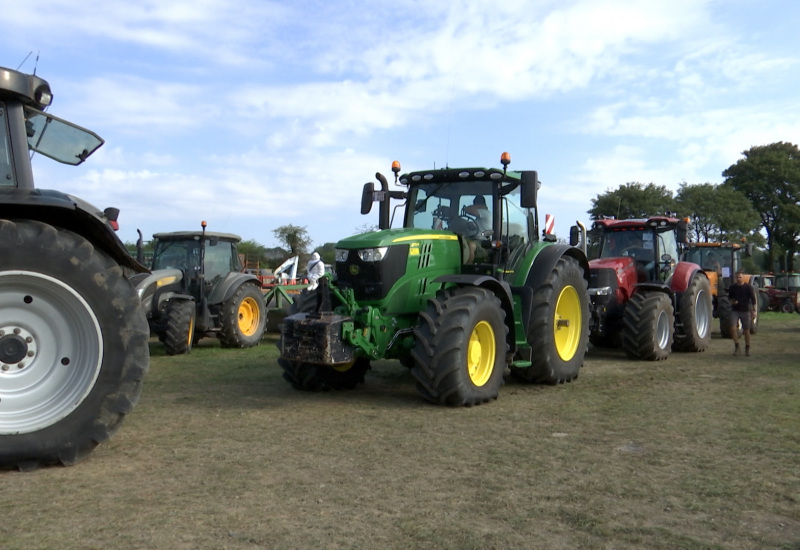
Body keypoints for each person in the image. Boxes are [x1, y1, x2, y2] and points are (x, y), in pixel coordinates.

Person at [728, 271, 757, 356]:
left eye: (740, 277)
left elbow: (753, 300)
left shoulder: (748, 287)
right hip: (735, 310)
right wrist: (732, 302)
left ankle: (747, 348)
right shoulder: (732, 287)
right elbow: (729, 298)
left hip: (745, 311)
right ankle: (737, 346)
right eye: (737, 277)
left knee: (746, 330)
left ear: (743, 277)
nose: (739, 279)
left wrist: (754, 311)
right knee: (733, 328)